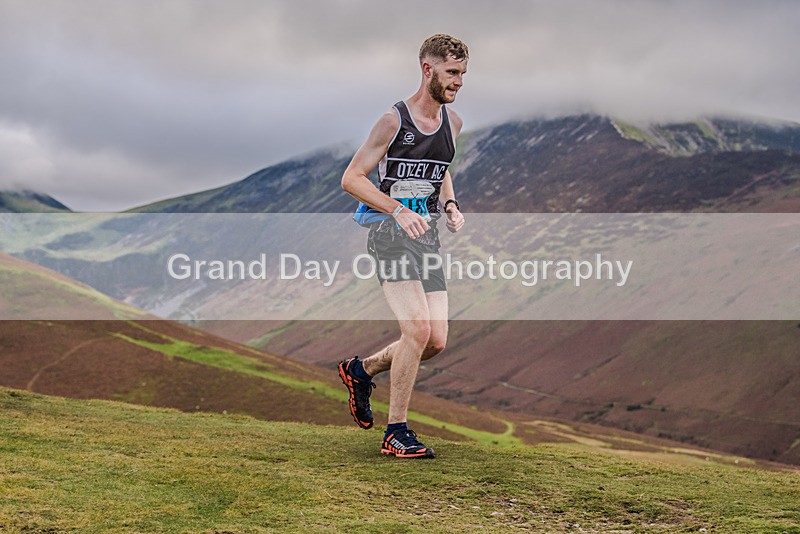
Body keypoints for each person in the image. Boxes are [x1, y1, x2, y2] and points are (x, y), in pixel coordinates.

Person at [338, 34, 468, 459]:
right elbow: (352, 178)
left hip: (426, 238)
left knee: (435, 341)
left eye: (463, 74)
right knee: (416, 330)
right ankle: (396, 432)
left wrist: (450, 204)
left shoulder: (454, 123)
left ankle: (362, 371)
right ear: (428, 70)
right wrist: (396, 209)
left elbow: (440, 170)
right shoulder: (393, 121)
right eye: (452, 73)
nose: (459, 82)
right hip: (389, 236)